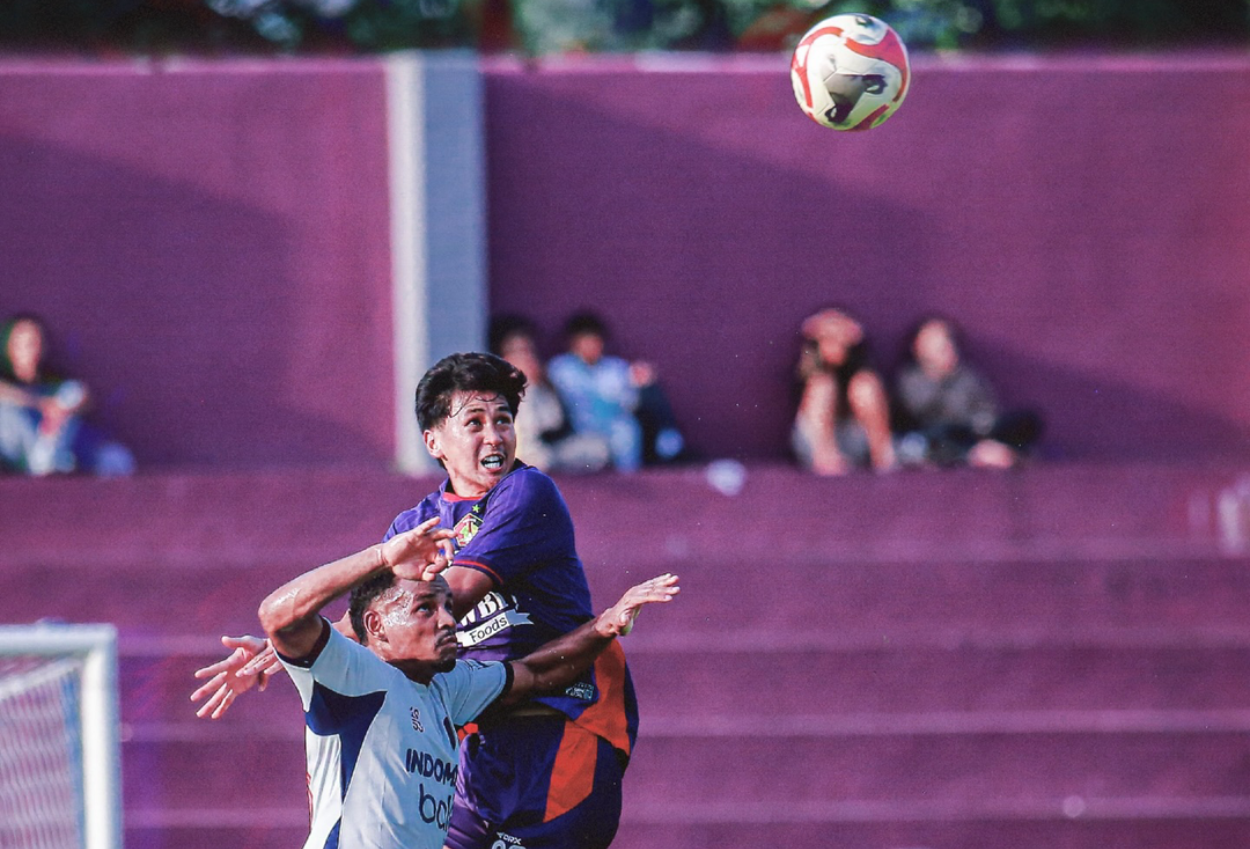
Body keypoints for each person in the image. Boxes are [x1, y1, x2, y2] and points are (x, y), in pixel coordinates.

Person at [192, 352, 646, 849]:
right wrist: (276, 652)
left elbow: (451, 596)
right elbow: (371, 626)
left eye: (504, 420)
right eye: (474, 422)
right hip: (473, 743)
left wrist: (296, 642)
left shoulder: (527, 492)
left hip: (560, 729)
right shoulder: (413, 526)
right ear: (434, 442)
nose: (494, 436)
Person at [246, 511, 678, 849]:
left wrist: (604, 625)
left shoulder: (448, 690)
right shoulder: (350, 674)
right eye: (425, 609)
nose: (449, 620)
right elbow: (277, 616)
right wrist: (382, 557)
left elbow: (536, 674)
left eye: (449, 607)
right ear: (376, 625)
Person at [892, 315, 1044, 469]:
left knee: (1025, 421)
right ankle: (975, 455)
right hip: (939, 435)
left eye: (945, 338)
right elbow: (920, 410)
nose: (942, 344)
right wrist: (943, 377)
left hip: (973, 431)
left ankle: (994, 451)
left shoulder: (967, 375)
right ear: (916, 346)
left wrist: (984, 424)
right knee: (919, 444)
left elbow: (986, 408)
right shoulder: (909, 378)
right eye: (933, 338)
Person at [546, 311, 687, 472]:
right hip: (578, 431)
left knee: (627, 427)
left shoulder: (615, 367)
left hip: (614, 427)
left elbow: (629, 402)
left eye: (596, 341)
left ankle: (666, 436)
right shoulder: (561, 367)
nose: (592, 346)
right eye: (585, 341)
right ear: (573, 343)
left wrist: (639, 382)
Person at [0, 313, 134, 477]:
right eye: (21, 344)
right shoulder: (6, 383)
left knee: (115, 458)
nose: (29, 350)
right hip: (20, 455)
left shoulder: (54, 381)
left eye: (34, 343)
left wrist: (61, 410)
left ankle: (51, 455)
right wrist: (40, 403)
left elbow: (83, 398)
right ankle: (43, 459)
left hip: (59, 448)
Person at [488, 314, 610, 474]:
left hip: (546, 453)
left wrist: (533, 388)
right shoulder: (490, 389)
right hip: (504, 454)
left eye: (528, 351)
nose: (524, 358)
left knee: (597, 448)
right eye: (517, 351)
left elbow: (553, 423)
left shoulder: (542, 384)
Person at [791, 306, 895, 475]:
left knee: (865, 385)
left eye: (840, 337)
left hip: (854, 440)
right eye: (828, 338)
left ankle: (884, 459)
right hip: (815, 440)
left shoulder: (860, 374)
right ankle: (827, 457)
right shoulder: (815, 375)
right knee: (823, 385)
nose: (835, 343)